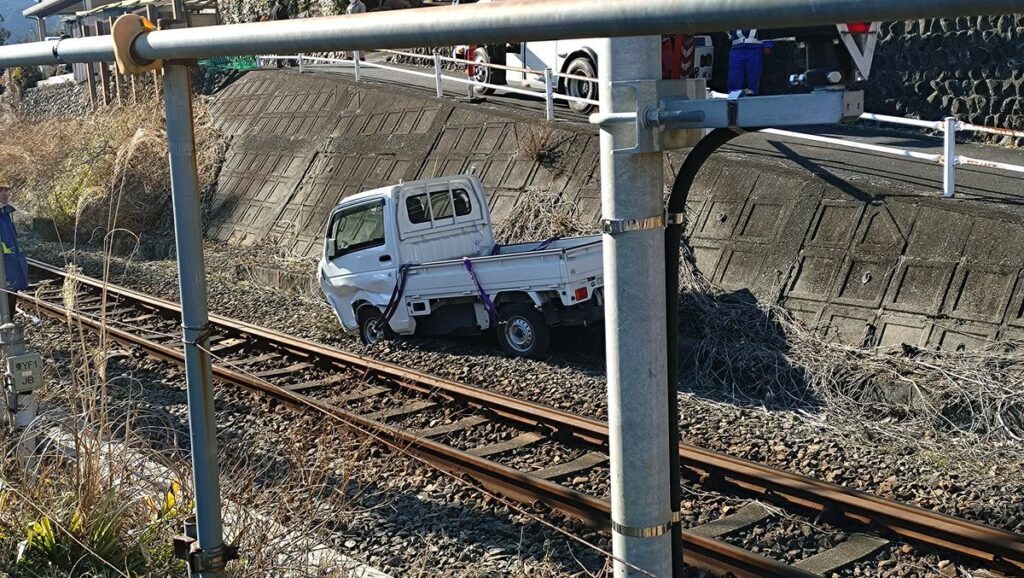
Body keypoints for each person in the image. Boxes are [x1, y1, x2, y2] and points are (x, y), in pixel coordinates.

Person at [0, 177, 28, 322]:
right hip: (3, 266)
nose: (5, 193)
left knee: (9, 303)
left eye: (7, 189)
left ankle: (7, 326)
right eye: (0, 190)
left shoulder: (6, 213)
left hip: (9, 266)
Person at [727, 29, 772, 95]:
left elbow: (767, 27)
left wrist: (767, 44)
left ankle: (753, 95)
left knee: (754, 75)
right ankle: (733, 96)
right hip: (737, 47)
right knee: (734, 75)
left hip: (755, 47)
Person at [271, 0, 291, 68]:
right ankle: (291, 61)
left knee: (279, 47)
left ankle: (279, 62)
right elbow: (286, 20)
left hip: (276, 31)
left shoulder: (274, 8)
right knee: (290, 45)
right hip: (283, 30)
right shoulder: (282, 8)